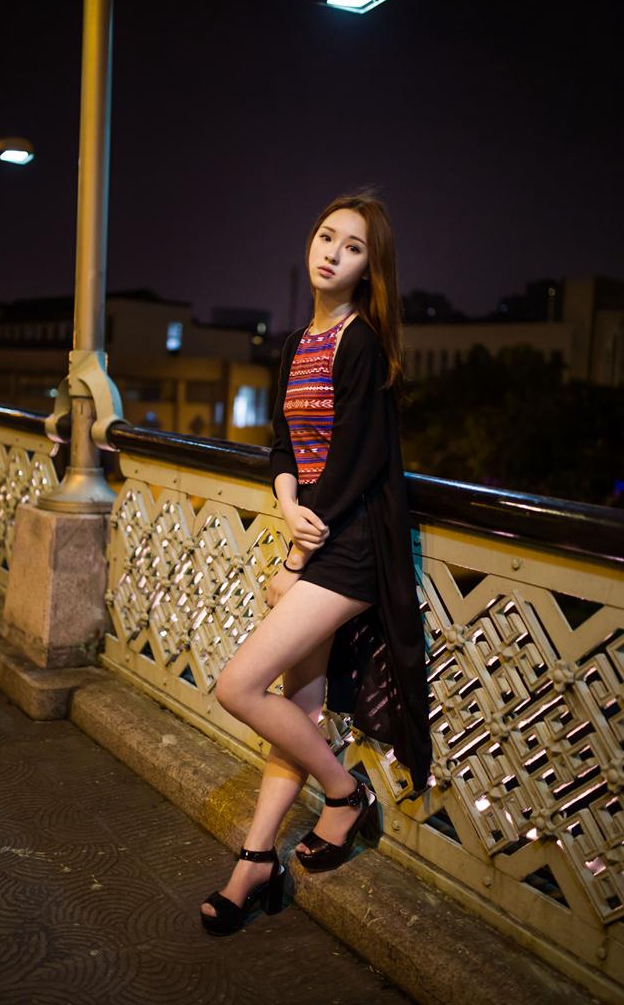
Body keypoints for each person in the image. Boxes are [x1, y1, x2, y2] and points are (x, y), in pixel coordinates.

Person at [200, 191, 431, 937]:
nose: (332, 253)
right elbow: (282, 445)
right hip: (317, 536)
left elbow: (360, 461)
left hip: (351, 550)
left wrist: (299, 556)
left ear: (370, 268)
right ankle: (255, 861)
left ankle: (344, 793)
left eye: (353, 247)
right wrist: (284, 498)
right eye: (327, 237)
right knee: (296, 710)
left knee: (237, 686)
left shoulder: (362, 342)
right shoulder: (299, 342)